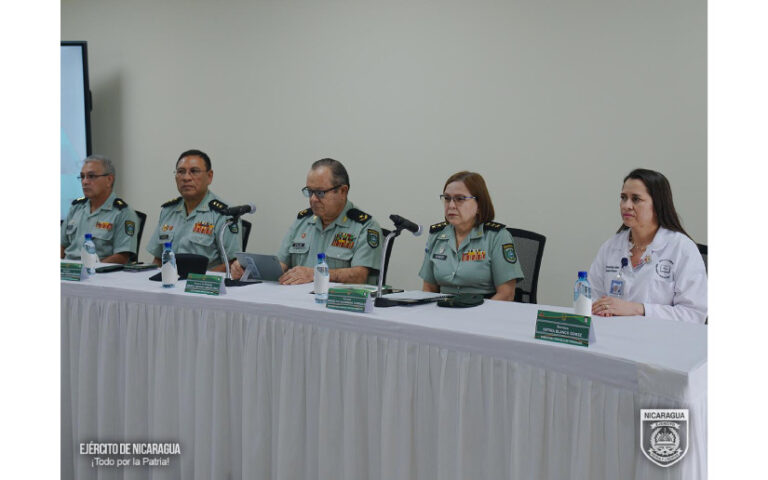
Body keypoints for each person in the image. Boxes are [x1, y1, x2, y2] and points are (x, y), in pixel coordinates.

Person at [231, 158, 383, 284]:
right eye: (310, 192)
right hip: (299, 304)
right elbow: (281, 264)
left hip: (339, 305)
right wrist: (249, 268)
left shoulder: (365, 227)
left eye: (320, 193)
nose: (313, 199)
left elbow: (359, 276)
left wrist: (316, 274)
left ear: (342, 191)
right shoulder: (303, 221)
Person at [588, 168, 707, 323]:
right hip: (612, 337)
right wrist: (600, 309)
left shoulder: (682, 249)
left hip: (662, 341)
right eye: (623, 198)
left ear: (657, 205)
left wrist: (640, 309)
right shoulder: (610, 247)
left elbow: (693, 314)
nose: (626, 205)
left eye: (636, 199)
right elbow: (591, 297)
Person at [419, 171, 523, 300]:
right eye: (447, 198)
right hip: (444, 310)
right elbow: (429, 288)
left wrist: (475, 317)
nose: (451, 205)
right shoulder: (437, 235)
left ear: (479, 204)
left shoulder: (497, 236)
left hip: (484, 311)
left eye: (460, 199)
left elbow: (506, 294)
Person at [146, 149, 241, 271]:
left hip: (202, 286)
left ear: (209, 176)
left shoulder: (225, 214)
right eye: (181, 172)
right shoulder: (168, 211)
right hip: (170, 283)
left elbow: (232, 264)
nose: (186, 178)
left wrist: (194, 280)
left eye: (194, 171)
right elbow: (158, 259)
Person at [61, 154, 140, 264]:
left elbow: (122, 256)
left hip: (100, 275)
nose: (85, 182)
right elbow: (61, 246)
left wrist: (91, 268)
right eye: (82, 177)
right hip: (68, 273)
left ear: (109, 180)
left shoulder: (123, 213)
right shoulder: (76, 208)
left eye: (91, 176)